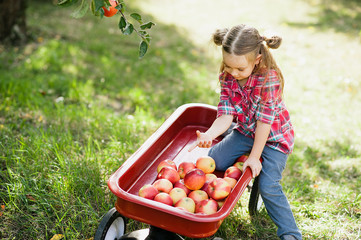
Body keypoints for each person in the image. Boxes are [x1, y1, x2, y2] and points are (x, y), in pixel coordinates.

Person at [188, 24, 302, 240]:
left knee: (269, 186)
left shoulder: (269, 79)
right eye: (228, 66)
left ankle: (291, 234)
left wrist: (255, 157)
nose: (233, 72)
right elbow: (225, 113)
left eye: (240, 69)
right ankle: (236, 141)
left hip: (274, 139)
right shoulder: (228, 76)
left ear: (257, 59)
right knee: (215, 160)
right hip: (246, 130)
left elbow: (264, 123)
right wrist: (210, 135)